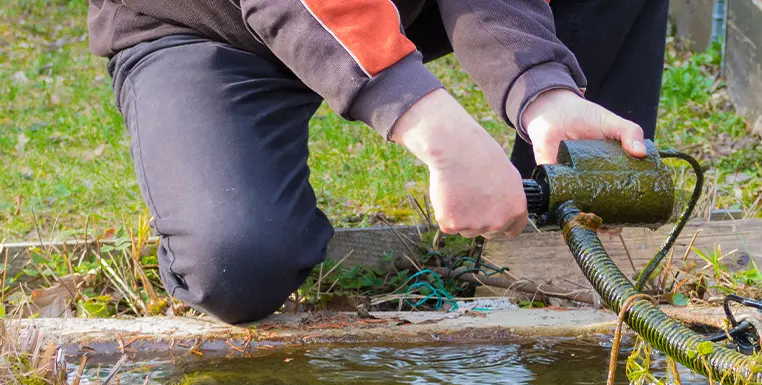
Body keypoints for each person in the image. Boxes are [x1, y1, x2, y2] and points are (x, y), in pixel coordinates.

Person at [86, 0, 668, 324]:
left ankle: (563, 235)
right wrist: (436, 130)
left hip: (402, 4)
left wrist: (542, 86)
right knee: (236, 262)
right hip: (206, 26)